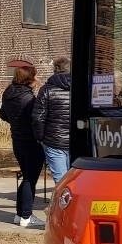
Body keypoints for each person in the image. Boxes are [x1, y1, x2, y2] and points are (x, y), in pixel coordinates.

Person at [0, 59, 45, 228]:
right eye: (35, 76)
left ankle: (19, 215)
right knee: (29, 179)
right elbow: (36, 120)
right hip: (31, 142)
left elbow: (3, 115)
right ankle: (26, 216)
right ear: (29, 79)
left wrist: (15, 121)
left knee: (26, 177)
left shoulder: (8, 92)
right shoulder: (28, 98)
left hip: (17, 140)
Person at [32, 55, 72, 184]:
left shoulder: (47, 89)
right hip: (76, 140)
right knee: (75, 179)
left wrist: (40, 138)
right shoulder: (81, 88)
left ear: (55, 70)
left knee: (61, 181)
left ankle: (62, 203)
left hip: (54, 141)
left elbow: (38, 117)